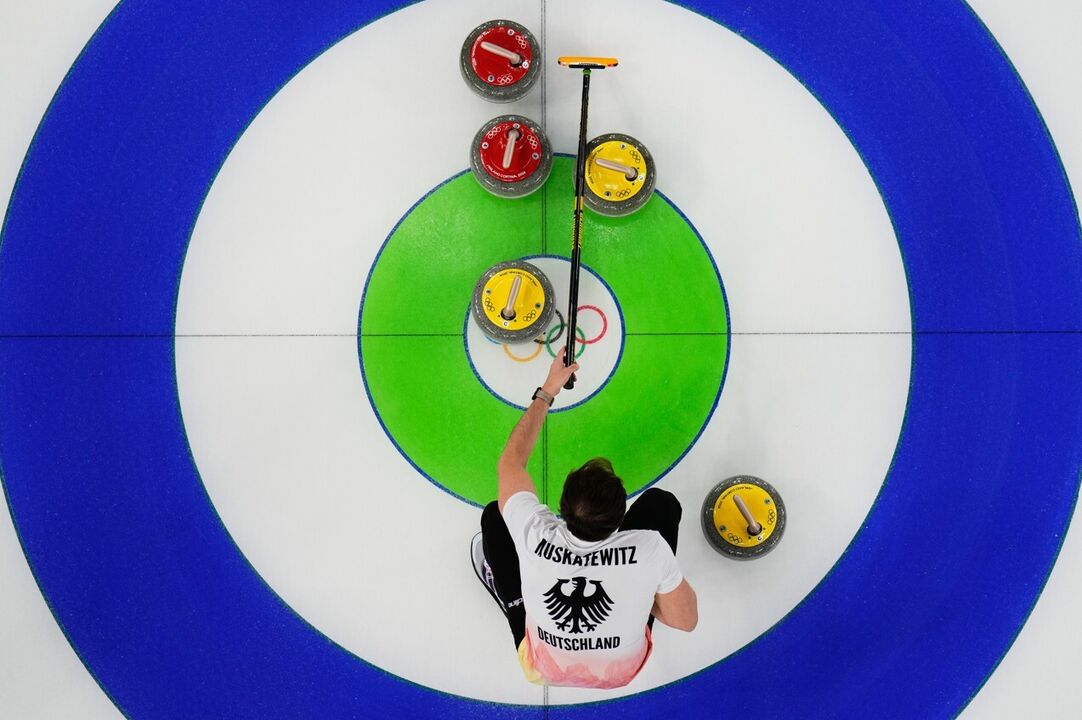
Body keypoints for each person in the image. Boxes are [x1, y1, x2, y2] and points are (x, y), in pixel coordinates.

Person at [471, 347, 698, 689]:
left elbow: (511, 463)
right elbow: (686, 621)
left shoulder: (534, 532)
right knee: (662, 505)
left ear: (560, 510)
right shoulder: (650, 548)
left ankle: (511, 599)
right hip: (620, 674)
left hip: (543, 669)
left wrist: (548, 389)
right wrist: (636, 593)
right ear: (620, 518)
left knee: (494, 518)